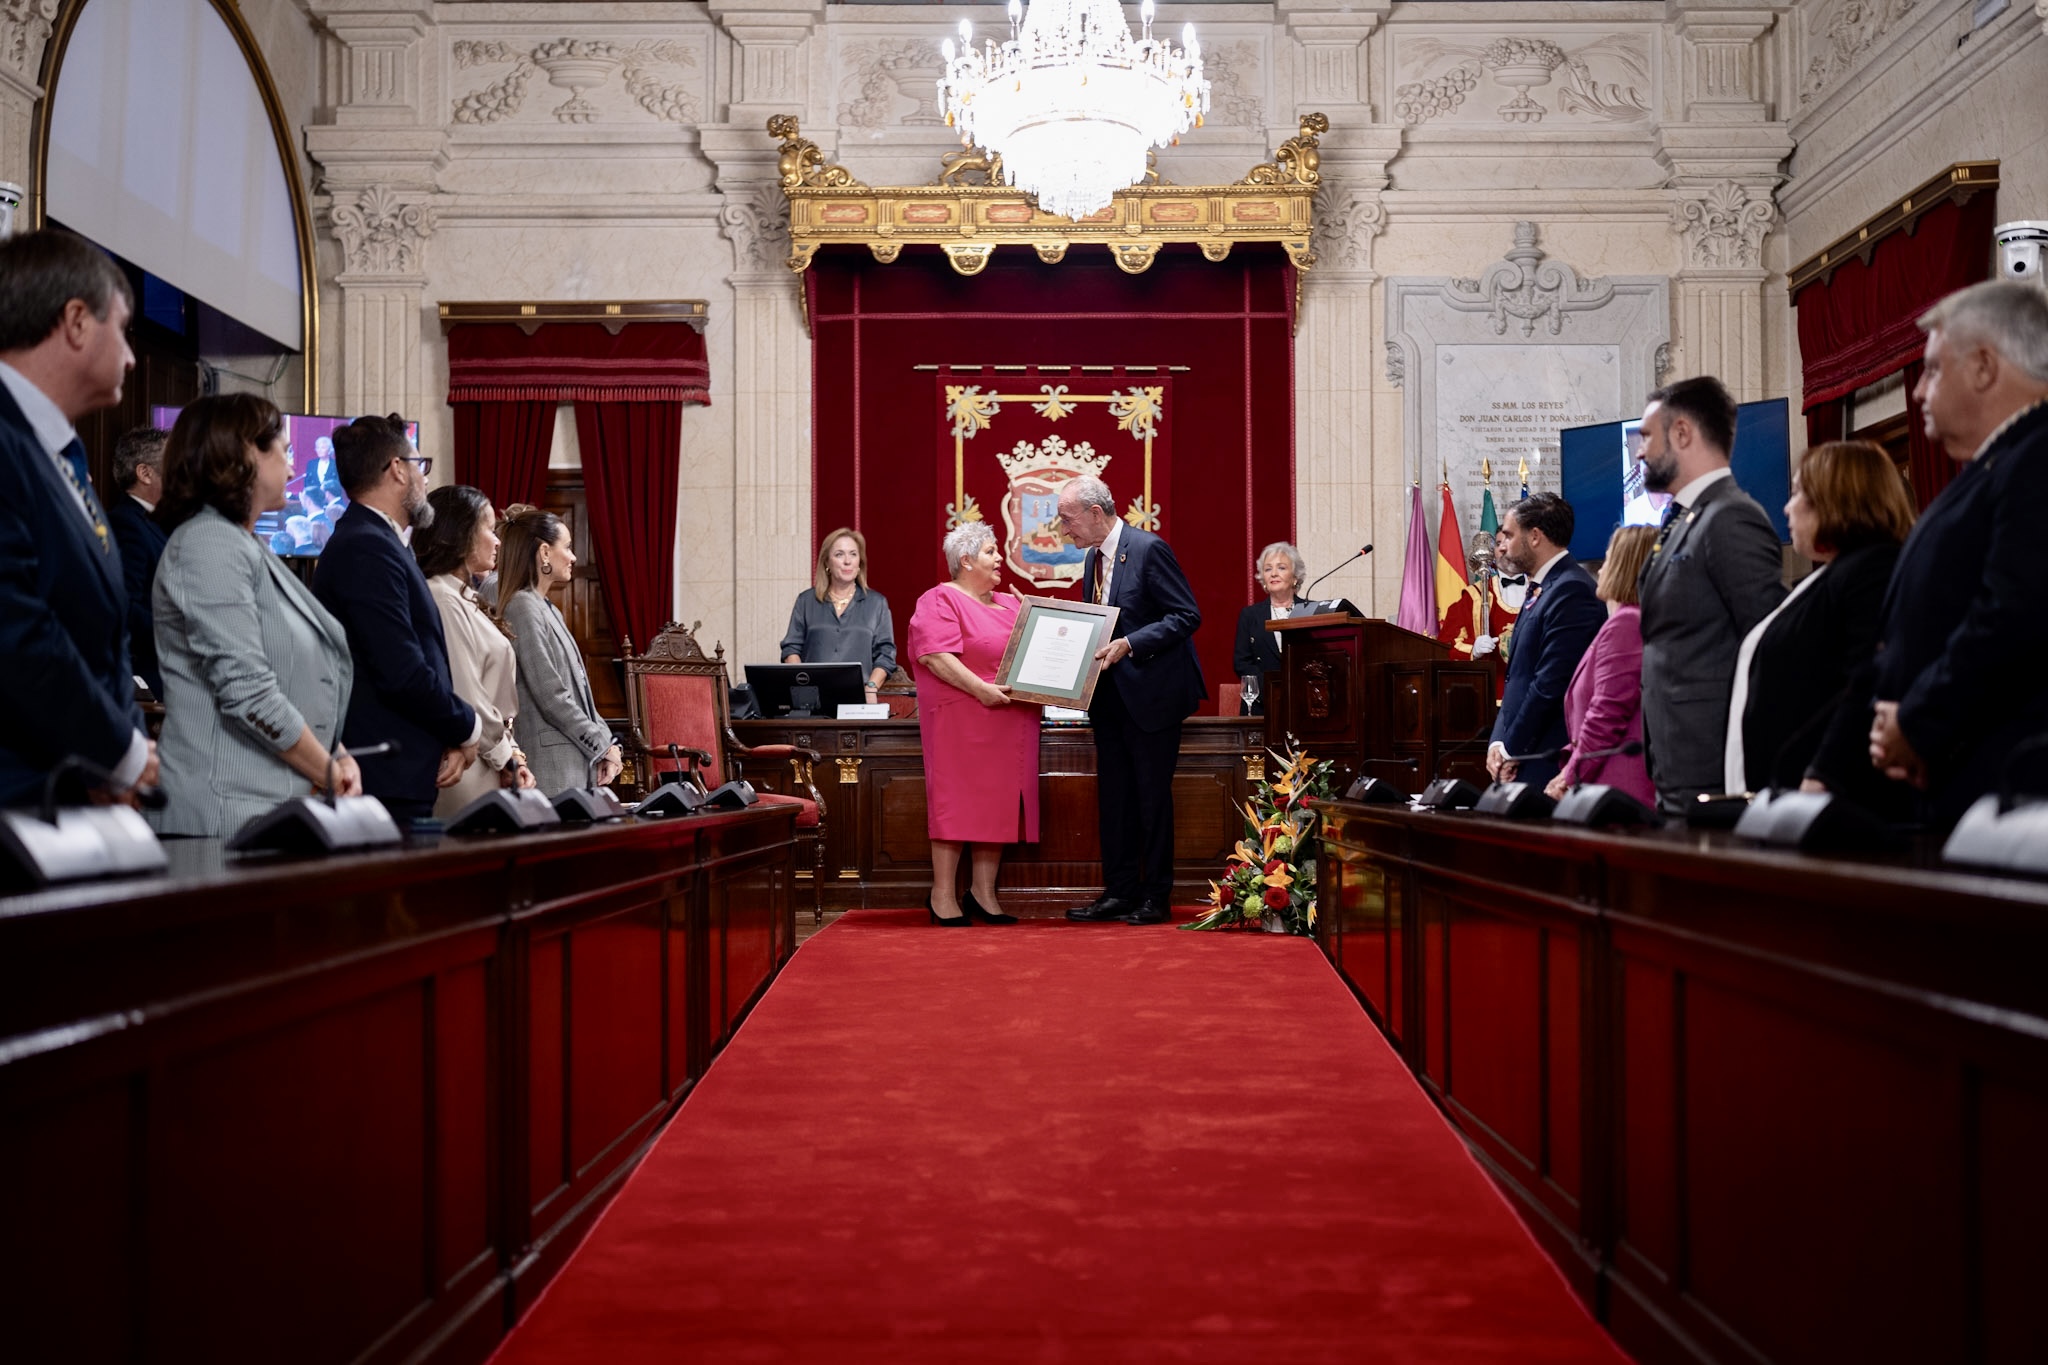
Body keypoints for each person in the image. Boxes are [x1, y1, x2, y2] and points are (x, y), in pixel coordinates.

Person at [1850, 280, 2048, 824]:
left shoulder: (2035, 456)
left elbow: (2015, 613)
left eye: (1933, 370)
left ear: (1984, 367)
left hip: (2007, 784)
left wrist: (1918, 722)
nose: (1918, 391)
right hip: (1953, 775)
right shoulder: (1993, 464)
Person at [150, 394, 360, 836]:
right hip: (221, 814)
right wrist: (326, 767)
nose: (290, 466)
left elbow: (293, 681)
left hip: (262, 807)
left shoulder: (246, 544)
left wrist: (338, 753)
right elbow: (247, 689)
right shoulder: (207, 542)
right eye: (283, 449)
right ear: (245, 453)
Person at [0, 228, 158, 806]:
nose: (133, 356)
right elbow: (14, 630)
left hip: (74, 795)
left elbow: (101, 636)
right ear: (74, 322)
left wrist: (124, 758)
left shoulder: (63, 452)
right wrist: (119, 752)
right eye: (121, 328)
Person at [1725, 441, 1914, 802]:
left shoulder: (1872, 569)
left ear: (1837, 498)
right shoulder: (1832, 574)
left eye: (1797, 493)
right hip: (1790, 791)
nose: (1786, 507)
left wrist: (1824, 773)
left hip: (1831, 798)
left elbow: (1869, 681)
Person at [313, 415, 479, 822]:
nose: (424, 480)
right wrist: (467, 727)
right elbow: (401, 670)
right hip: (384, 775)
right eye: (420, 466)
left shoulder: (380, 541)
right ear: (397, 470)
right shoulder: (366, 546)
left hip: (403, 771)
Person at [1633, 375, 1787, 811]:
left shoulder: (1731, 516)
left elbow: (1770, 645)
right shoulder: (1686, 517)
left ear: (1682, 433)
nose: (1640, 451)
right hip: (1675, 761)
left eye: (1646, 437)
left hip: (1714, 762)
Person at [1059, 475, 1204, 926]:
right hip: (1109, 701)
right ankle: (1119, 893)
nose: (1065, 531)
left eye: (1068, 520)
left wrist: (1131, 644)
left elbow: (1186, 615)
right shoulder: (1091, 560)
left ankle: (1156, 897)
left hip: (1153, 699)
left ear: (1095, 513)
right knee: (1116, 800)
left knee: (1150, 800)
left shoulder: (1147, 549)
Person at [906, 522, 1039, 926]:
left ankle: (983, 894)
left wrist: (1043, 613)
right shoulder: (939, 599)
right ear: (965, 561)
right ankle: (942, 895)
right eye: (990, 552)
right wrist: (980, 689)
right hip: (961, 719)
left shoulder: (1012, 603)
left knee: (997, 805)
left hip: (1010, 721)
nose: (1000, 558)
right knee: (956, 803)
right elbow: (934, 656)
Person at [413, 485, 535, 819]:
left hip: (489, 757)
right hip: (469, 764)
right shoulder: (441, 596)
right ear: (460, 533)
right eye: (488, 528)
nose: (497, 540)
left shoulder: (465, 596)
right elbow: (467, 695)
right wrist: (506, 757)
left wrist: (512, 753)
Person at [1484, 493, 1604, 792]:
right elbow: (1517, 677)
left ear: (1535, 536)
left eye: (1510, 535)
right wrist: (1498, 742)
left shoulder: (1572, 589)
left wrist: (1512, 747)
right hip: (1521, 756)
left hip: (1546, 759)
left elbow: (1551, 683)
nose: (1503, 546)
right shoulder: (1542, 587)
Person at [497, 508, 622, 794]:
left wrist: (608, 745)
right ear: (544, 552)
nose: (574, 557)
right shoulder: (523, 606)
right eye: (566, 547)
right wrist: (602, 746)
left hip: (575, 762)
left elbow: (581, 694)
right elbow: (552, 696)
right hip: (553, 769)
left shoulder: (547, 607)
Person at [1543, 526, 1657, 807]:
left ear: (1624, 567)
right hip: (1600, 782)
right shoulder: (1625, 621)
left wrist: (1570, 775)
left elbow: (1607, 714)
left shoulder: (1627, 623)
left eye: (1607, 560)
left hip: (1617, 787)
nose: (1601, 570)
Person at [781, 527, 896, 703]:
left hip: (858, 699)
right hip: (812, 699)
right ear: (827, 562)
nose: (847, 561)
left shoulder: (876, 603)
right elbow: (791, 648)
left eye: (853, 554)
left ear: (860, 562)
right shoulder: (806, 601)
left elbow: (886, 654)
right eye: (840, 554)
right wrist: (802, 686)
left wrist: (871, 688)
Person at [108, 425, 169, 696]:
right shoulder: (126, 524)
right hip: (147, 677)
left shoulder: (157, 521)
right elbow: (125, 604)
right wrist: (179, 630)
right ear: (145, 473)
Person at [1232, 541, 1304, 716]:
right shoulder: (1250, 615)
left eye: (1281, 568)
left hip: (1302, 701)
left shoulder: (1310, 611)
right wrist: (1272, 690)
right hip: (1261, 704)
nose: (1273, 573)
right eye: (1268, 569)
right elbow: (1241, 662)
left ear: (1295, 576)